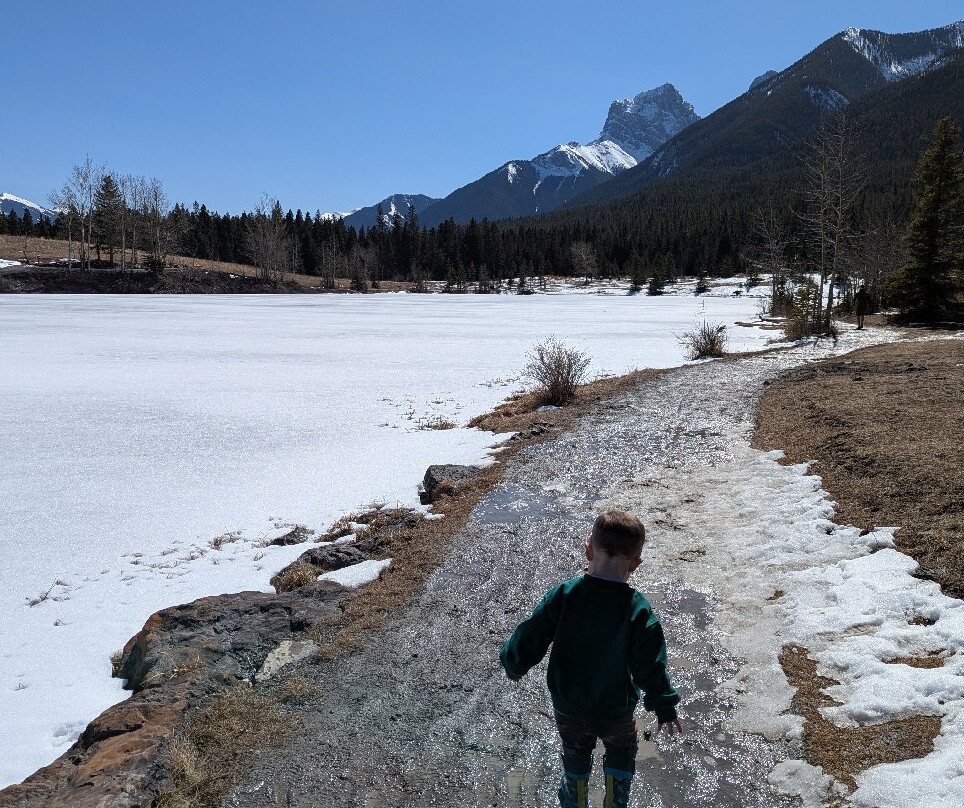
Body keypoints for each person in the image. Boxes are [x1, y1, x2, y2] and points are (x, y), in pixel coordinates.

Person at [500, 510, 682, 808]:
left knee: (575, 751)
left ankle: (575, 796)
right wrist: (664, 703)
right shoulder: (638, 610)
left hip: (569, 704)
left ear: (588, 549)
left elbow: (532, 633)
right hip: (616, 708)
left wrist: (514, 663)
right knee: (621, 749)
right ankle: (616, 798)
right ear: (635, 564)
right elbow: (650, 664)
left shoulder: (564, 595)